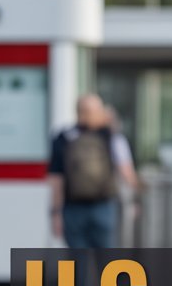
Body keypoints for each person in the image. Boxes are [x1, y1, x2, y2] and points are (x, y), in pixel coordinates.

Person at [47, 93, 138, 249]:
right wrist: (135, 200)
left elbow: (56, 180)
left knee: (78, 263)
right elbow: (126, 173)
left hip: (72, 209)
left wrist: (55, 212)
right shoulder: (112, 138)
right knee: (107, 262)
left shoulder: (63, 138)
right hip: (104, 206)